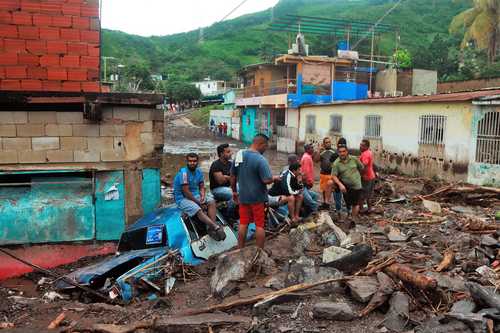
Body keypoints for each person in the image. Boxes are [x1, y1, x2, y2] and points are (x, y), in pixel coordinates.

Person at [231, 134, 278, 249]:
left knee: (243, 224)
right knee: (259, 225)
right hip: (258, 199)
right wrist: (275, 178)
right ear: (261, 144)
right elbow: (266, 180)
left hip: (243, 197)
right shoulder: (260, 160)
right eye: (265, 147)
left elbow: (232, 176)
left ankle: (240, 250)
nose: (265, 150)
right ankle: (259, 252)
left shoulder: (239, 155)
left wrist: (234, 192)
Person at [173, 153, 226, 241]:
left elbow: (201, 186)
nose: (192, 163)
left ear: (197, 162)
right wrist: (199, 203)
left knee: (211, 202)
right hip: (182, 198)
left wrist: (202, 196)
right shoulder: (184, 173)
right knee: (197, 209)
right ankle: (215, 227)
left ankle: (210, 228)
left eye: (194, 161)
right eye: (190, 161)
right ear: (187, 162)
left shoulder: (199, 171)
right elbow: (186, 192)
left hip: (195, 194)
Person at [331, 146, 364, 219]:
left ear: (347, 152)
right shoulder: (336, 163)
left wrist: (357, 177)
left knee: (355, 204)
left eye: (343, 151)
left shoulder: (354, 159)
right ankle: (348, 212)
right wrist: (340, 185)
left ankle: (353, 220)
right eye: (340, 152)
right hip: (345, 186)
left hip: (356, 186)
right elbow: (333, 176)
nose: (342, 153)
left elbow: (361, 168)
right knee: (348, 202)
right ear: (338, 153)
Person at [359, 139, 376, 213]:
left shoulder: (365, 154)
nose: (360, 146)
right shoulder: (369, 152)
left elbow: (364, 166)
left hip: (366, 177)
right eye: (360, 145)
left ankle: (361, 209)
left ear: (367, 147)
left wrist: (361, 175)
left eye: (363, 145)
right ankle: (369, 208)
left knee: (361, 194)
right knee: (369, 194)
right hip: (372, 176)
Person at [300, 144, 319, 213]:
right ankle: (313, 211)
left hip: (305, 182)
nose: (313, 149)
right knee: (308, 199)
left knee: (313, 196)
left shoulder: (307, 157)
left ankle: (308, 211)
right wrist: (308, 182)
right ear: (307, 149)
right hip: (306, 183)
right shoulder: (307, 158)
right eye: (311, 148)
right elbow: (305, 172)